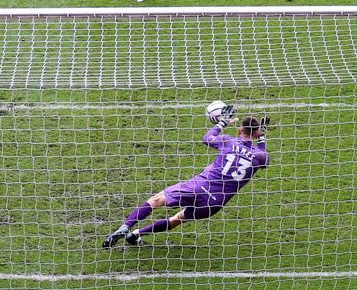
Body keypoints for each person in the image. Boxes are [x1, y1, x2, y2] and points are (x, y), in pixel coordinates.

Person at [102, 106, 270, 248]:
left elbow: (207, 138)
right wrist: (262, 137)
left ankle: (126, 226)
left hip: (198, 186)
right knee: (178, 219)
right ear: (255, 134)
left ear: (240, 130)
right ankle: (136, 235)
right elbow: (264, 159)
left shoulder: (228, 141)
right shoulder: (260, 156)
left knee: (156, 201)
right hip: (216, 202)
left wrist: (222, 122)